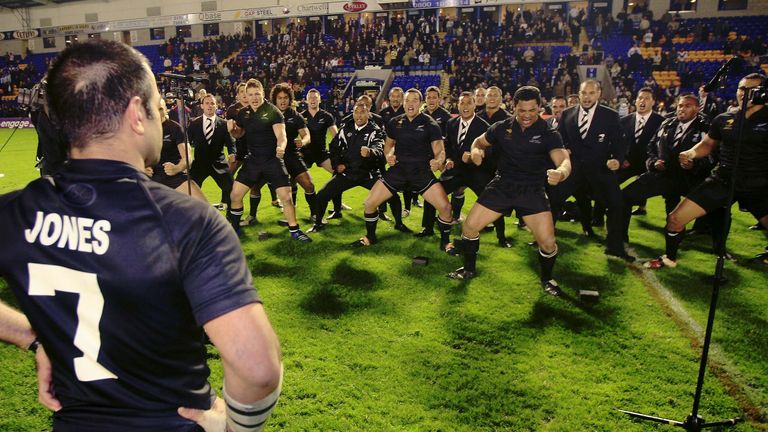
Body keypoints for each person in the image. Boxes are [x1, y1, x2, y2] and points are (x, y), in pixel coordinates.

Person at [0, 40, 282, 432]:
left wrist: (31, 337)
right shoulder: (188, 221)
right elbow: (257, 367)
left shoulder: (14, 212)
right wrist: (235, 426)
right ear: (136, 113)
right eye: (155, 105)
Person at [447, 86, 572, 297]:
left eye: (532, 110)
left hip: (532, 189)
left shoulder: (548, 132)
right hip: (502, 185)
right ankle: (469, 269)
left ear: (540, 108)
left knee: (548, 243)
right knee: (469, 228)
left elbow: (564, 160)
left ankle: (547, 278)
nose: (527, 115)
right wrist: (477, 151)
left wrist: (560, 173)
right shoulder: (501, 127)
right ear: (514, 107)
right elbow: (479, 141)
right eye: (522, 110)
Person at [645, 73, 768, 269]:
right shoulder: (724, 118)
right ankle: (669, 258)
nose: (743, 93)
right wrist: (691, 153)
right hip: (723, 179)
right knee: (675, 218)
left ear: (763, 93)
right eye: (741, 89)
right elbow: (707, 144)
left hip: (758, 184)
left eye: (750, 89)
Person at [352, 88, 453, 248]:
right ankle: (370, 237)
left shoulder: (430, 124)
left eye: (414, 100)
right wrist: (389, 155)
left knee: (446, 208)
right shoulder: (395, 122)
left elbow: (440, 150)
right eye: (407, 100)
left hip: (420, 172)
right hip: (399, 171)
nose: (410, 104)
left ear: (420, 104)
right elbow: (389, 145)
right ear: (404, 103)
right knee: (370, 203)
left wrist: (438, 160)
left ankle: (446, 242)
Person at [548, 80, 633, 261]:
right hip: (574, 169)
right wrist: (564, 150)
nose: (587, 97)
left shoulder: (610, 115)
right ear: (578, 94)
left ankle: (615, 246)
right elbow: (560, 140)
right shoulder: (567, 114)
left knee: (617, 203)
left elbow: (619, 142)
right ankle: (546, 239)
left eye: (591, 93)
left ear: (599, 94)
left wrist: (617, 159)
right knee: (552, 198)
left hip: (600, 169)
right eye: (583, 93)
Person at [416, 91, 510, 247]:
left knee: (493, 200)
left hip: (477, 172)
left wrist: (477, 155)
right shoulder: (452, 123)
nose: (465, 106)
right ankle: (427, 228)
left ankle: (501, 238)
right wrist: (449, 159)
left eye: (469, 103)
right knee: (432, 192)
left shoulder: (484, 126)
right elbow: (448, 146)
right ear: (457, 105)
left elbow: (492, 151)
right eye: (462, 103)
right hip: (456, 171)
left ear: (474, 104)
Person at [622, 93, 713, 245]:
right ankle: (620, 238)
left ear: (697, 109)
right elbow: (651, 146)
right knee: (624, 196)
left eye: (687, 106)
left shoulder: (705, 128)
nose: (682, 109)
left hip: (689, 179)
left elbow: (712, 156)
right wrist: (653, 162)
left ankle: (718, 249)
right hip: (663, 176)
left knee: (719, 208)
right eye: (680, 106)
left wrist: (694, 165)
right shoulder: (667, 123)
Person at [228, 79, 312, 241]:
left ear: (263, 94)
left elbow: (282, 136)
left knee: (286, 197)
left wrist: (281, 147)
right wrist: (233, 131)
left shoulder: (273, 112)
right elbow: (240, 134)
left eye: (257, 94)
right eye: (250, 94)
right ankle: (235, 229)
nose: (254, 98)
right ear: (246, 95)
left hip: (272, 160)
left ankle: (294, 230)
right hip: (253, 160)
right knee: (235, 195)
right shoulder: (243, 113)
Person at [308, 102, 401, 232]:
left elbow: (380, 149)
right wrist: (336, 164)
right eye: (356, 112)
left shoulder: (375, 130)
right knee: (322, 194)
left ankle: (399, 224)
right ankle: (318, 224)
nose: (359, 115)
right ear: (353, 113)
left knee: (393, 195)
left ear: (368, 114)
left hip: (368, 174)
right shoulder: (345, 129)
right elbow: (334, 147)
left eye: (362, 112)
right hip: (348, 172)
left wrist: (370, 152)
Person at [270, 83, 317, 221]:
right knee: (255, 185)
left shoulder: (294, 115)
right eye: (280, 98)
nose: (283, 100)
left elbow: (306, 135)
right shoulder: (268, 114)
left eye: (285, 97)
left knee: (309, 184)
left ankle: (315, 214)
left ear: (290, 99)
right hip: (272, 157)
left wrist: (303, 141)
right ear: (275, 99)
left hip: (291, 155)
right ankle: (252, 216)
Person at [148, 102, 207, 202]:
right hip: (150, 176)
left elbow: (188, 157)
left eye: (161, 109)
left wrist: (177, 168)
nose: (157, 112)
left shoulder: (175, 128)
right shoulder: (143, 128)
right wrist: (142, 168)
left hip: (173, 175)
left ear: (166, 109)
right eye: (154, 108)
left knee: (203, 206)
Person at [301, 88, 345, 219]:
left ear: (319, 99)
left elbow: (336, 135)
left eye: (315, 97)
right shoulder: (301, 116)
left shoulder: (326, 116)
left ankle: (337, 208)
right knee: (294, 177)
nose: (313, 100)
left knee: (337, 175)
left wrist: (339, 152)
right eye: (310, 97)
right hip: (306, 153)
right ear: (306, 100)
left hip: (321, 153)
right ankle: (291, 205)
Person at [188, 94, 235, 210]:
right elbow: (186, 142)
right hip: (199, 164)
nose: (210, 106)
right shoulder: (194, 123)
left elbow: (230, 142)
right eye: (207, 103)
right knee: (189, 189)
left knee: (231, 187)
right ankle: (195, 213)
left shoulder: (224, 124)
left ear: (217, 106)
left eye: (212, 103)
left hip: (219, 163)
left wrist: (232, 153)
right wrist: (186, 158)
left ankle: (229, 215)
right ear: (202, 106)